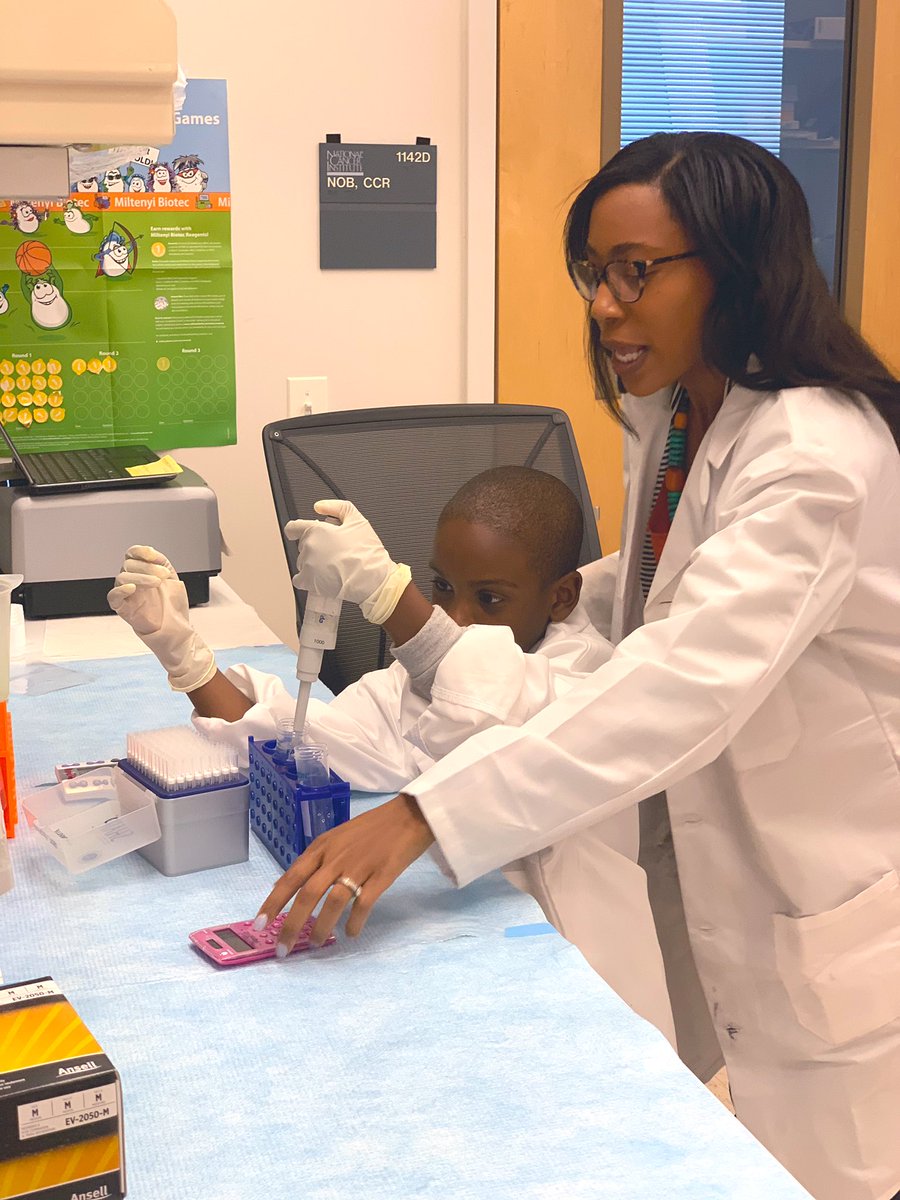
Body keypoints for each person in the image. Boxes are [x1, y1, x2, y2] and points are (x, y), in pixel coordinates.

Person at [254, 132, 900, 1200]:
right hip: (707, 869)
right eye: (595, 272)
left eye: (636, 270)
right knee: (663, 1132)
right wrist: (529, 603)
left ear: (738, 269)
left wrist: (423, 813)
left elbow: (678, 686)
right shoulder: (681, 414)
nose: (604, 304)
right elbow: (653, 586)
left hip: (820, 892)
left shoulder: (814, 459)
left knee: (824, 1174)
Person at [107, 467, 675, 1041]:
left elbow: (488, 715)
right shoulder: (416, 679)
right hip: (473, 946)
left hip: (579, 961)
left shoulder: (587, 679)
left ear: (562, 596)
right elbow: (303, 743)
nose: (457, 616)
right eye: (443, 588)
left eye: (490, 598)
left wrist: (388, 595)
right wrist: (186, 658)